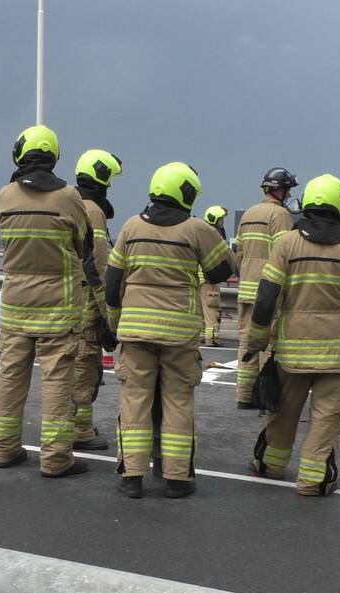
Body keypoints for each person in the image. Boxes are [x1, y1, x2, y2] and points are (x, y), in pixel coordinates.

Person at [245, 174, 340, 496]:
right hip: (338, 354)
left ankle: (271, 465)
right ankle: (314, 480)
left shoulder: (287, 243)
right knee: (326, 418)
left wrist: (257, 341)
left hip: (292, 353)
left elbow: (266, 298)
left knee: (284, 413)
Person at [107, 162, 234, 499]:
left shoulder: (131, 227)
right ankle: (177, 479)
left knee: (134, 400)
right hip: (179, 332)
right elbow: (222, 271)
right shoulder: (196, 229)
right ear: (187, 193)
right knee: (178, 400)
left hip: (134, 331)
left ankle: (132, 476)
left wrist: (114, 322)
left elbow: (112, 281)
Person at [0, 125, 100, 477]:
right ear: (54, 157)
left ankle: (4, 449)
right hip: (59, 306)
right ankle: (55, 459)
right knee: (57, 383)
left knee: (10, 377)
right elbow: (84, 246)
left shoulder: (5, 196)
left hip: (16, 305)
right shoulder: (69, 197)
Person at [72, 148, 123, 451]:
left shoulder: (70, 202)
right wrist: (109, 313)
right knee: (85, 365)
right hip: (86, 303)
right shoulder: (92, 210)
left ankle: (74, 425)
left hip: (68, 298)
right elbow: (98, 266)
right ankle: (79, 431)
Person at [235, 167, 297, 408]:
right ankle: (265, 397)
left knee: (246, 344)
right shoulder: (280, 216)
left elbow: (239, 254)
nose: (289, 193)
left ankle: (244, 395)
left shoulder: (248, 213)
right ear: (279, 189)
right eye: (288, 188)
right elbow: (284, 255)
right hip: (268, 291)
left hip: (246, 288)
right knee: (268, 345)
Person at [199, 205, 228, 347]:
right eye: (221, 220)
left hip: (200, 278)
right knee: (211, 309)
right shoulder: (213, 237)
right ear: (215, 220)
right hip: (210, 278)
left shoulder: (201, 233)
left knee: (201, 309)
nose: (223, 223)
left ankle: (202, 336)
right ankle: (212, 338)